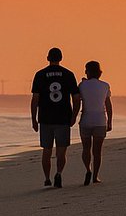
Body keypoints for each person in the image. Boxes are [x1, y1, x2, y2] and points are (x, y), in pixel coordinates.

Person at [31, 48, 81, 188]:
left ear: (47, 58)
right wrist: (74, 116)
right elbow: (76, 98)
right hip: (63, 117)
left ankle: (47, 178)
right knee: (61, 150)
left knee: (46, 150)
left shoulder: (40, 75)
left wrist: (33, 119)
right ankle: (58, 173)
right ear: (61, 58)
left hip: (45, 118)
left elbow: (35, 99)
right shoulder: (68, 74)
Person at [78, 60, 113, 185]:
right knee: (97, 151)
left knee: (86, 149)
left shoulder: (81, 85)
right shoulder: (105, 85)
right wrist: (110, 122)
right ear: (99, 72)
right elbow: (108, 105)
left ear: (87, 71)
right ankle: (95, 176)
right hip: (100, 121)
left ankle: (88, 169)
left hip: (86, 120)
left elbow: (78, 100)